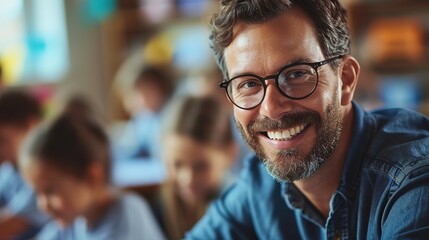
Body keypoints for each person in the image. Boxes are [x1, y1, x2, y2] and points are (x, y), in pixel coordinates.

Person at [186, 0, 429, 239]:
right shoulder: (259, 186)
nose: (271, 109)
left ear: (345, 81)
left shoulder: (413, 181)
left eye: (297, 74)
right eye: (248, 84)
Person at [18, 112, 165, 240]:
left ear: (92, 177)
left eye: (50, 191)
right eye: (37, 193)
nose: (43, 205)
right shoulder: (75, 220)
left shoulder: (127, 216)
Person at [154, 95, 237, 240]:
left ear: (230, 154)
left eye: (201, 166)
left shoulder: (240, 211)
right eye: (176, 164)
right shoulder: (155, 212)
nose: (187, 179)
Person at [0, 89, 49, 239]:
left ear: (31, 126)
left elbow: (6, 227)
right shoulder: (9, 170)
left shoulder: (47, 173)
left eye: (2, 140)